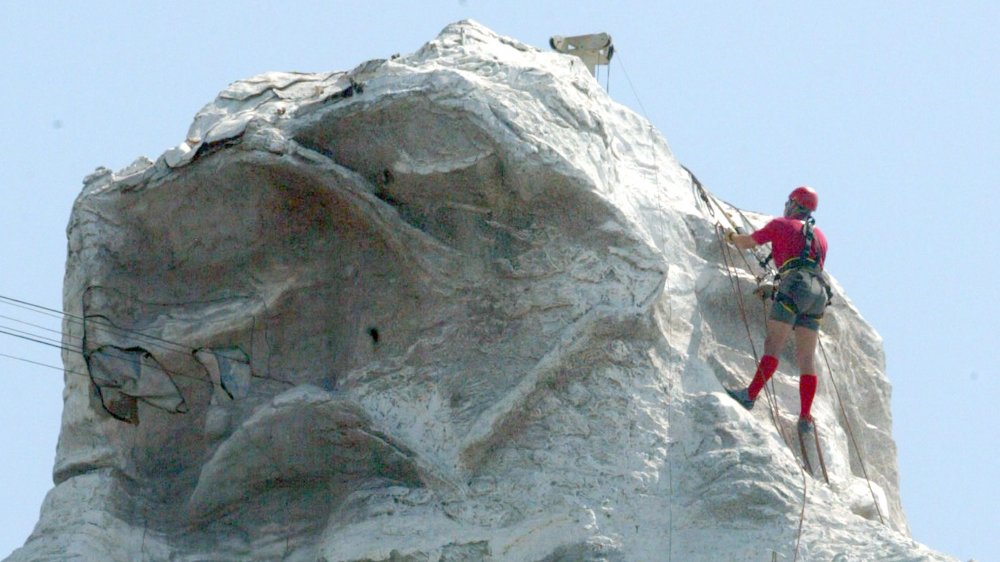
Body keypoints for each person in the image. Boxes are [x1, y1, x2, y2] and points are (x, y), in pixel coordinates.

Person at [723, 186, 829, 434]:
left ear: (793, 204)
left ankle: (749, 395)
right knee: (806, 358)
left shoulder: (781, 224)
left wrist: (731, 237)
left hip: (794, 285)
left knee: (773, 346)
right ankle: (804, 417)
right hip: (818, 294)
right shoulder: (821, 237)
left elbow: (747, 243)